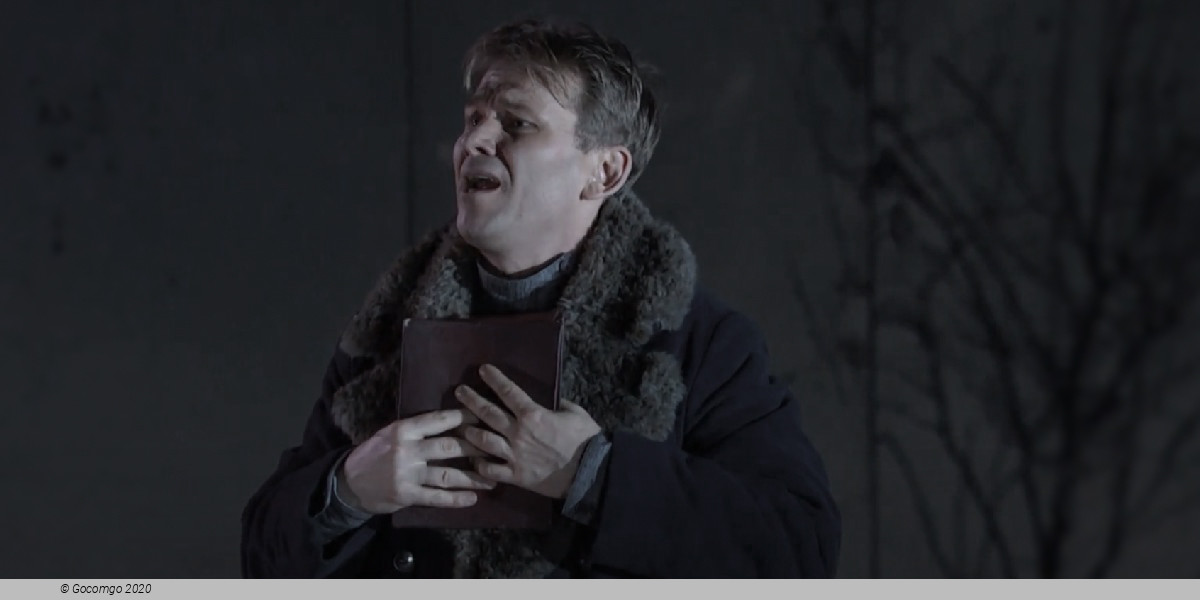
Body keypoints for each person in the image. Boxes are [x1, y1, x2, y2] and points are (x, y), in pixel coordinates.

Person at [240, 18, 840, 578]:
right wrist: (347, 489)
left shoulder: (697, 344)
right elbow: (261, 554)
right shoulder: (383, 338)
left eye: (517, 123)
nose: (474, 140)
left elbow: (798, 547)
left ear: (604, 172)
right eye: (473, 118)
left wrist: (593, 475)